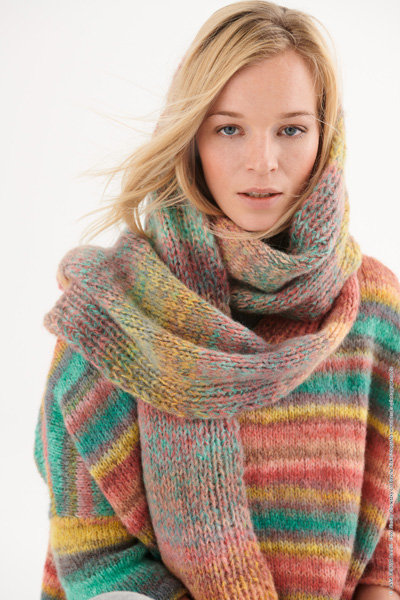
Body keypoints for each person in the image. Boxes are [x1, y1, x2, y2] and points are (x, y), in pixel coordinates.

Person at [33, 2, 400, 599]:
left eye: (291, 129)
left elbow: (392, 515)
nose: (263, 162)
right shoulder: (115, 312)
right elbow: (90, 547)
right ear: (192, 138)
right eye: (229, 128)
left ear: (325, 137)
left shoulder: (373, 306)